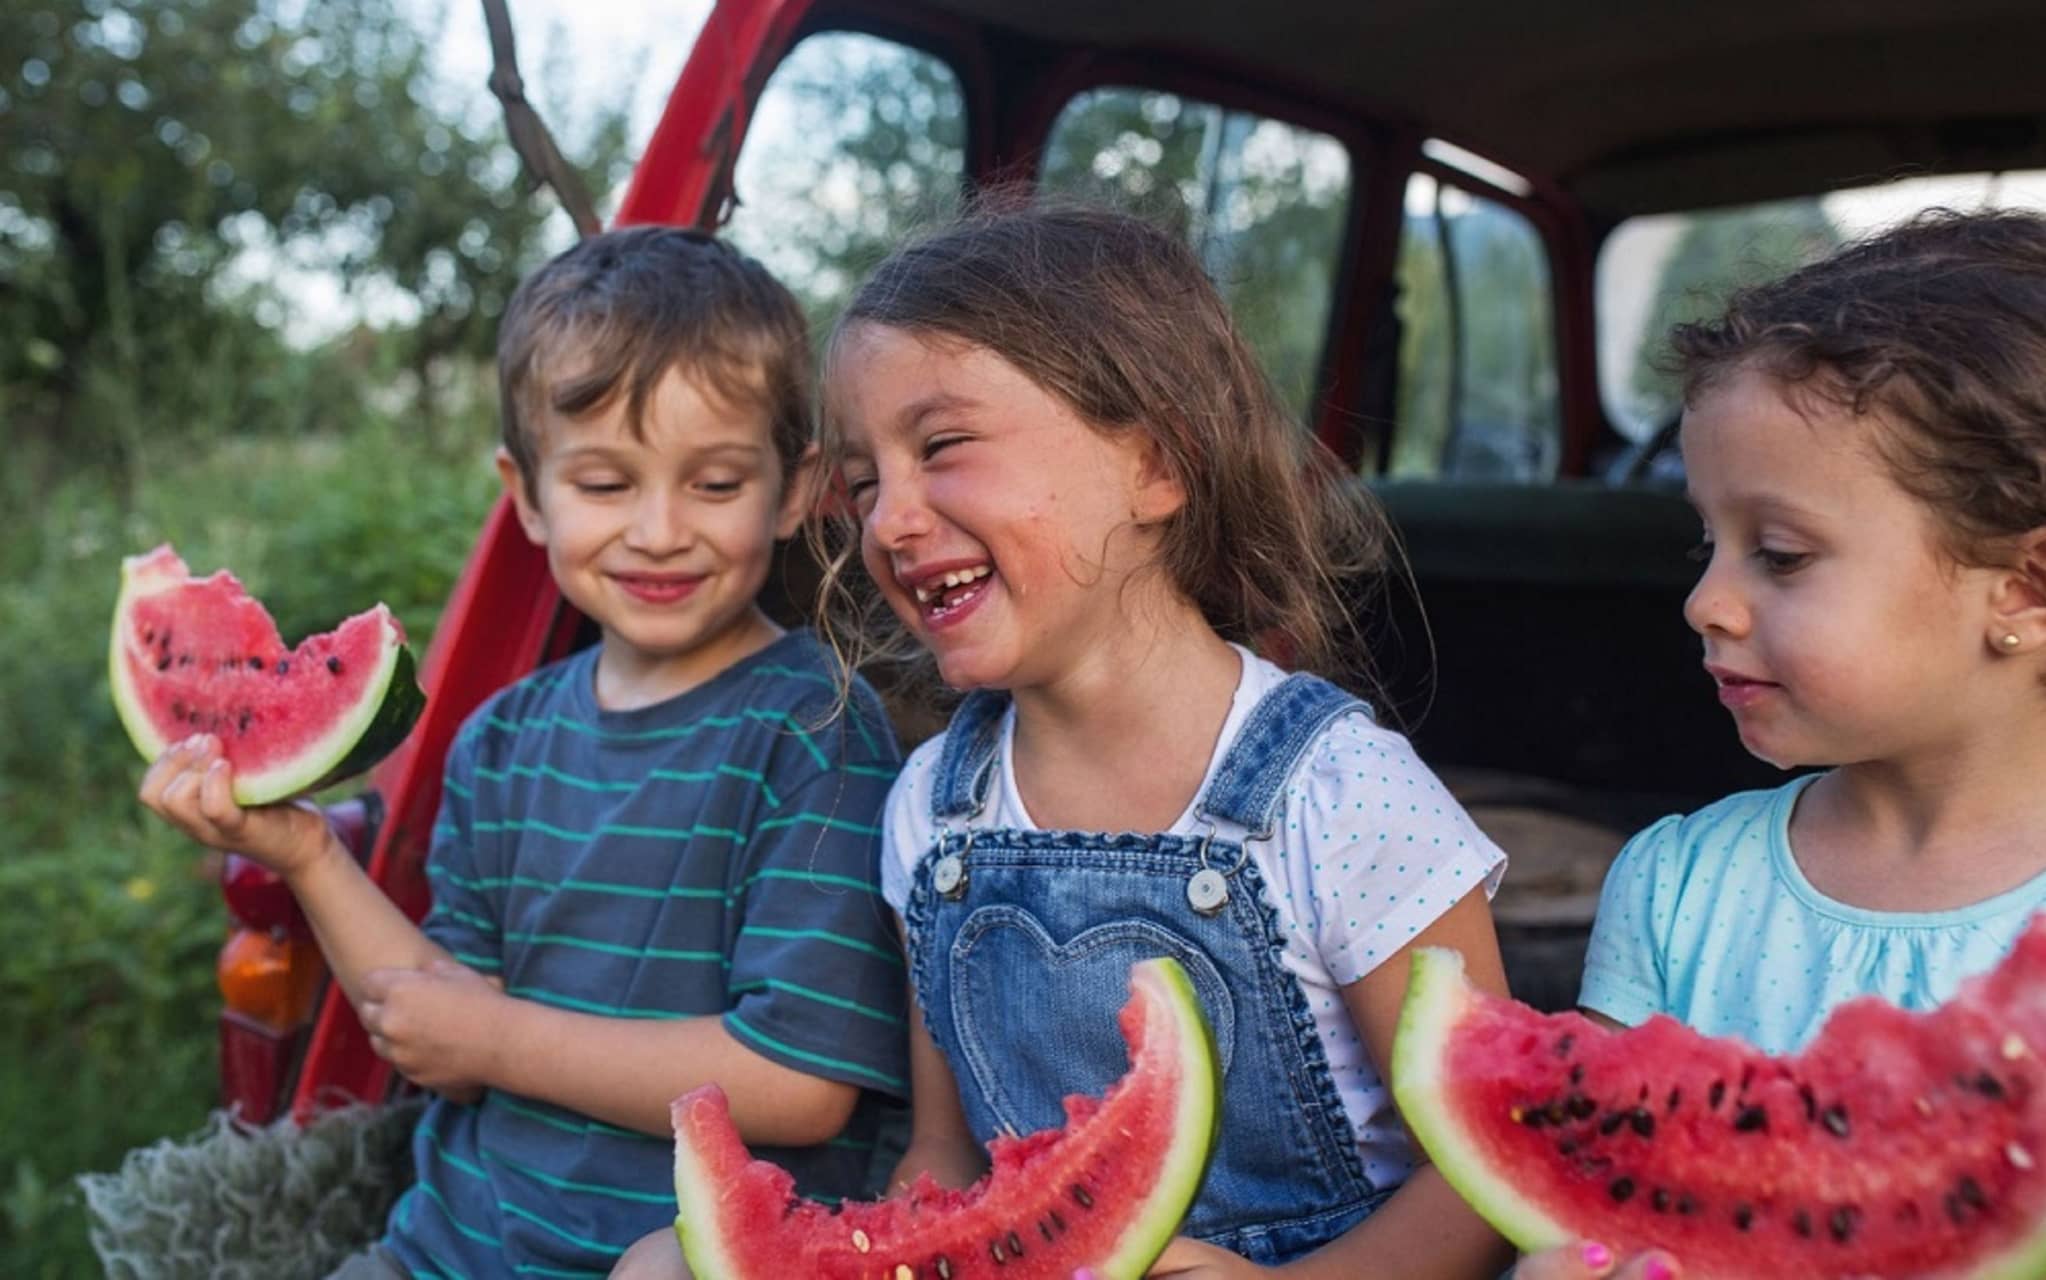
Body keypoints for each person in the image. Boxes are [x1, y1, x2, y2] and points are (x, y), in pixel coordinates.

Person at [655, 197, 1512, 1280]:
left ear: (1155, 463)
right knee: (661, 1262)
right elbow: (945, 1151)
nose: (885, 520)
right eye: (864, 482)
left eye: (943, 446)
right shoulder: (934, 803)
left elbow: (1489, 1165)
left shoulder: (1340, 793)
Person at [139, 226, 909, 1278]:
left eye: (715, 484)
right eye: (603, 483)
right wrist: (305, 852)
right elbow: (436, 1032)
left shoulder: (817, 729)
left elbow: (799, 1083)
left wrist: (497, 1039)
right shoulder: (499, 740)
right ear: (526, 494)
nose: (657, 529)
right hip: (448, 1249)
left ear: (792, 488)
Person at [1517, 208, 2046, 1280]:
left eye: (1781, 554)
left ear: (2024, 588)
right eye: (1703, 540)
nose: (1704, 602)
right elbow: (1596, 1187)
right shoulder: (1675, 883)